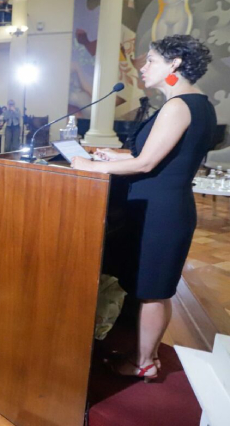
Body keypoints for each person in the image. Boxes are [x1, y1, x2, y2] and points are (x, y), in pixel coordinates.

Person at [71, 35, 217, 381]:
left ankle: (145, 363)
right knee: (151, 287)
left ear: (175, 63)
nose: (143, 66)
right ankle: (143, 354)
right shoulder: (198, 104)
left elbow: (147, 164)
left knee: (154, 291)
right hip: (163, 207)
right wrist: (115, 156)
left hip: (160, 213)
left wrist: (88, 166)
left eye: (151, 59)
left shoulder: (178, 105)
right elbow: (168, 158)